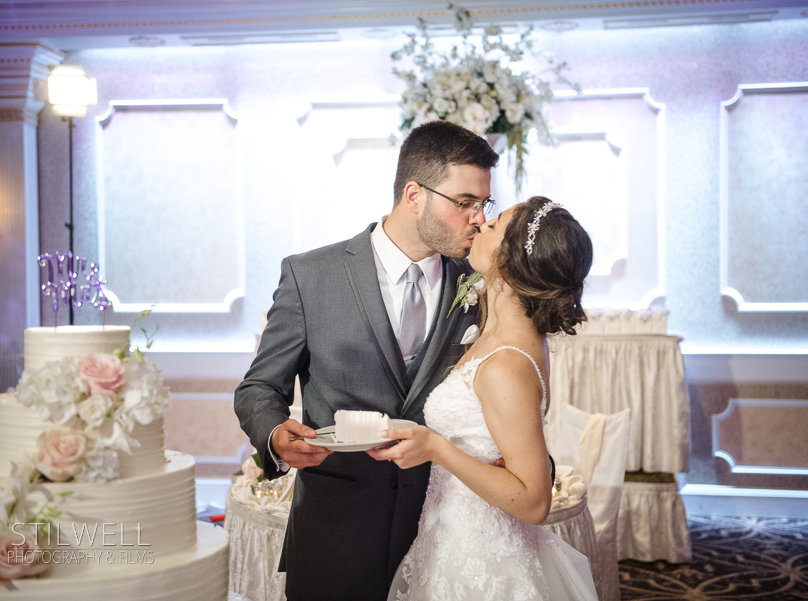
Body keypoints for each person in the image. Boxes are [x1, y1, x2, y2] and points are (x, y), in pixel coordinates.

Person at [234, 120, 499, 600]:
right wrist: (274, 434)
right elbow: (259, 388)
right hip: (335, 529)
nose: (479, 218)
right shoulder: (310, 275)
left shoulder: (480, 282)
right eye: (465, 203)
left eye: (484, 204)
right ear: (414, 194)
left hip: (442, 526)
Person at [368, 197, 599, 600]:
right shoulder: (500, 331)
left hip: (483, 556)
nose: (481, 223)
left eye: (494, 225)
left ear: (508, 267)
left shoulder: (504, 365)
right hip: (451, 535)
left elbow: (534, 501)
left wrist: (437, 448)